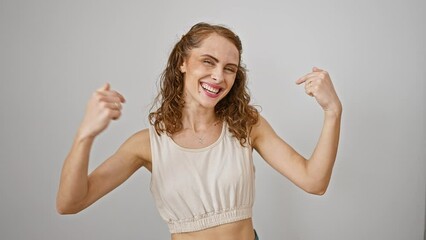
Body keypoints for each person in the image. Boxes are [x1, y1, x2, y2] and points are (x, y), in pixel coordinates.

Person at [56, 22, 342, 240]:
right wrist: (85, 135)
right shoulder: (146, 145)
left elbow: (313, 182)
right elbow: (70, 203)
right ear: (182, 62)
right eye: (208, 61)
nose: (218, 76)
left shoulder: (247, 125)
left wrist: (332, 112)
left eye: (229, 68)